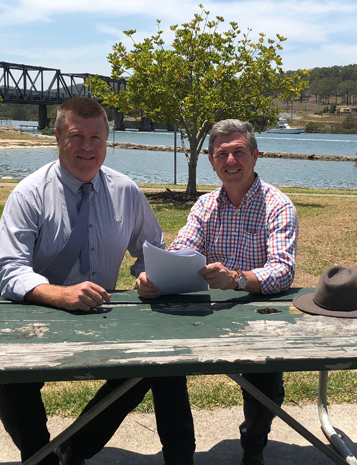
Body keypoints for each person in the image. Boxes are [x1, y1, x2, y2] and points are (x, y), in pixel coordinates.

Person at [0, 97, 174, 465]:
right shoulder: (29, 194)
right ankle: (40, 458)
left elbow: (153, 252)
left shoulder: (127, 192)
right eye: (77, 136)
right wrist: (58, 294)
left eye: (96, 137)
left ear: (108, 140)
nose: (87, 147)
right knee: (12, 381)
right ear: (57, 136)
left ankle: (74, 449)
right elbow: (7, 268)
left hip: (104, 317)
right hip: (38, 315)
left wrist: (146, 275)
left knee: (147, 369)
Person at [136, 119, 299, 465]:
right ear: (211, 161)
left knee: (266, 390)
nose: (230, 161)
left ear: (255, 156)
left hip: (259, 318)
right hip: (204, 316)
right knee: (165, 368)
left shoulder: (278, 205)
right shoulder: (205, 206)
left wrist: (237, 279)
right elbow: (182, 250)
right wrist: (154, 276)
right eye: (221, 154)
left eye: (238, 152)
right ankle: (179, 455)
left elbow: (283, 270)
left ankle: (254, 444)